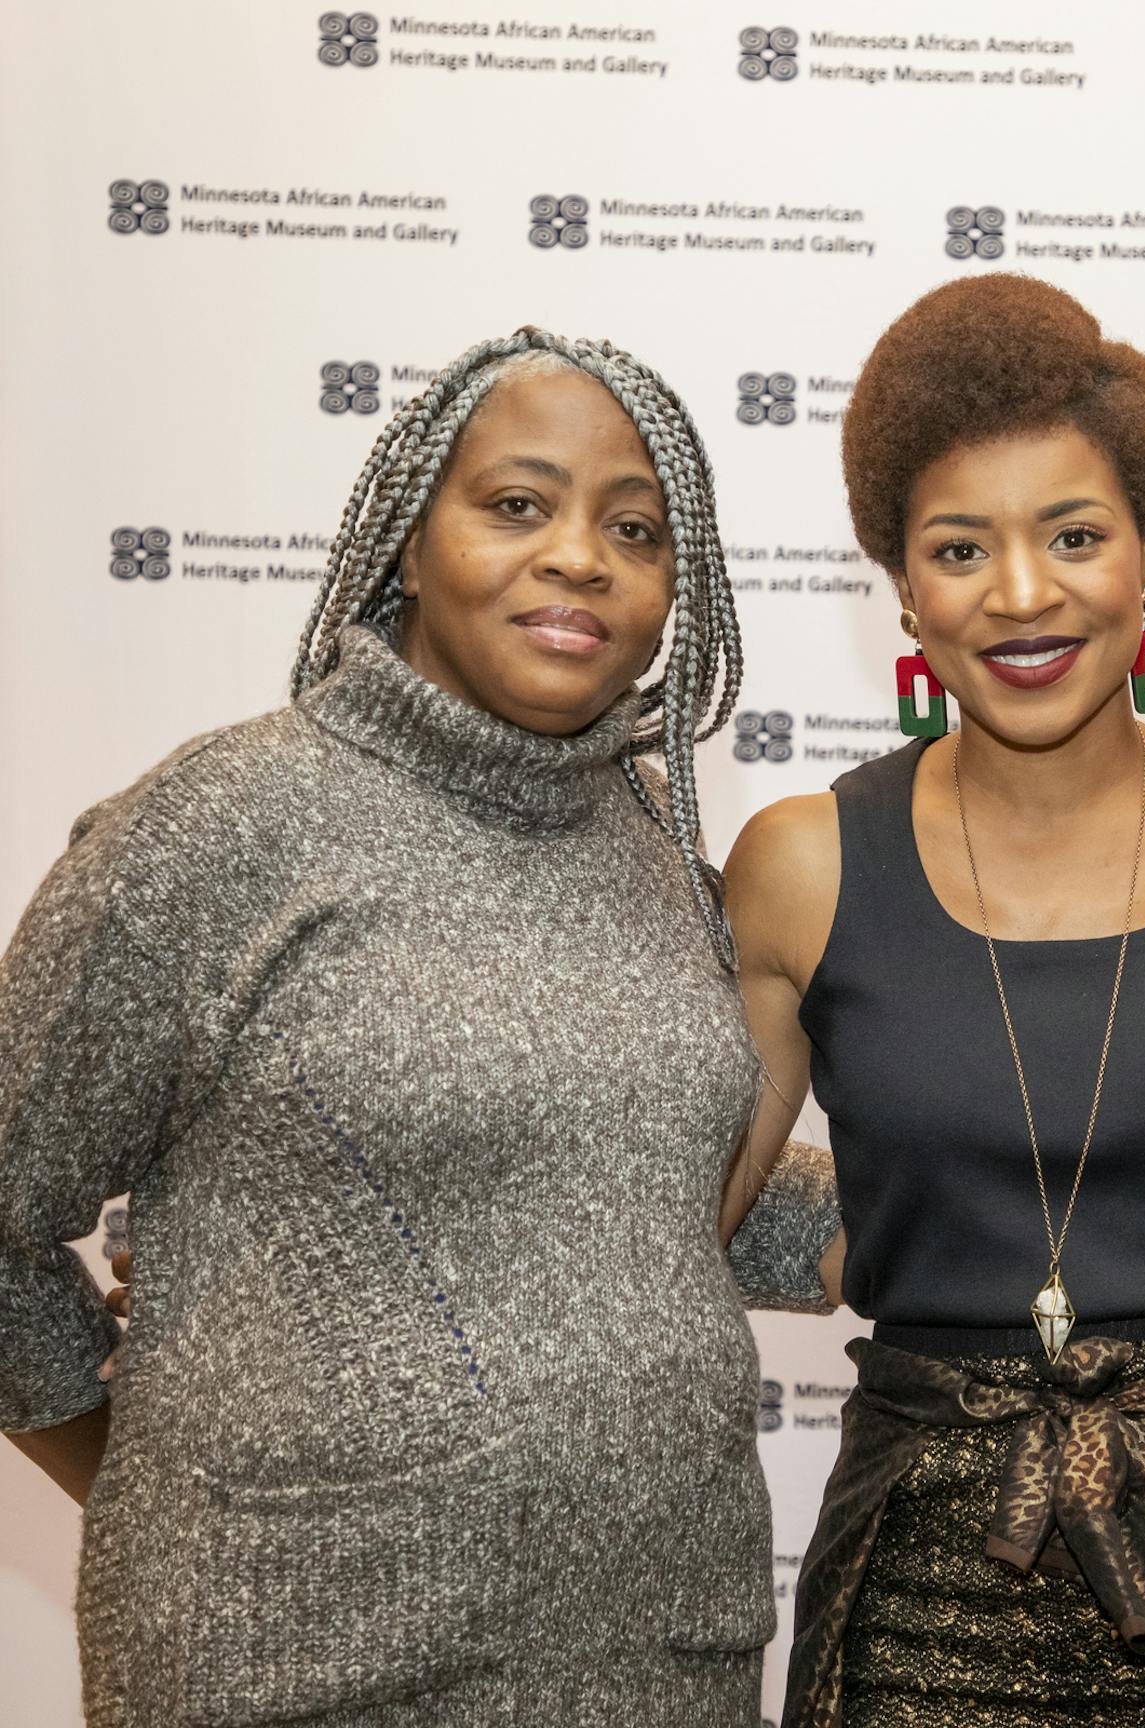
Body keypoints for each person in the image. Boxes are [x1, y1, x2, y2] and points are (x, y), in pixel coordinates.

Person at [0, 328, 806, 1725]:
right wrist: (129, 1463)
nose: (579, 556)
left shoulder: (660, 856)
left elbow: (634, 1174)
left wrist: (974, 1201)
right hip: (294, 1666)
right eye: (517, 504)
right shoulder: (217, 830)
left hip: (655, 1665)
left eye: (637, 529)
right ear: (406, 539)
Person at [719, 274, 1145, 1726]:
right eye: (960, 548)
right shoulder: (799, 865)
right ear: (901, 588)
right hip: (918, 1584)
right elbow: (672, 1208)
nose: (1022, 594)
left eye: (1075, 537)